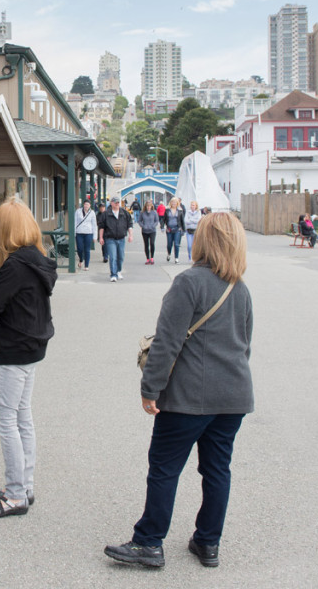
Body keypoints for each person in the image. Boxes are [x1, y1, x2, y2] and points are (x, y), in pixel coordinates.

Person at [105, 212, 254, 569]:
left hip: (189, 397)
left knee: (164, 467)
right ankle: (208, 542)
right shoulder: (241, 288)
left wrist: (149, 389)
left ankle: (149, 542)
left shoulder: (189, 283)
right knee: (217, 470)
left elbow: (167, 344)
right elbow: (245, 344)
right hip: (233, 395)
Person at [0, 198, 57, 518]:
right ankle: (26, 484)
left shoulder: (13, 265)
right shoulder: (38, 258)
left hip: (15, 347)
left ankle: (14, 495)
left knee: (6, 418)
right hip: (34, 345)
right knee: (22, 415)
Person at [98, 195, 134, 282]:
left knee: (121, 256)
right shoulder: (106, 214)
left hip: (121, 238)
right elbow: (101, 226)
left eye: (118, 202)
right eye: (116, 202)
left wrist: (130, 235)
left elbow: (130, 225)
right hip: (110, 238)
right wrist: (101, 237)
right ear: (111, 203)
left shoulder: (124, 213)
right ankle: (113, 274)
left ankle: (118, 271)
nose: (117, 204)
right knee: (113, 256)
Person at [74, 199, 97, 272]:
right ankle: (81, 259)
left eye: (87, 204)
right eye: (85, 204)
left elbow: (94, 225)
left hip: (88, 233)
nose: (86, 206)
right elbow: (75, 221)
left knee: (87, 250)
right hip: (79, 232)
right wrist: (74, 232)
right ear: (83, 205)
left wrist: (95, 236)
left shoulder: (92, 213)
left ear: (90, 205)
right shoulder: (78, 211)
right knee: (79, 249)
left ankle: (86, 265)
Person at [163, 198, 185, 263]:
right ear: (170, 203)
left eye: (175, 202)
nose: (174, 204)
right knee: (169, 244)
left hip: (177, 229)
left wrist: (183, 229)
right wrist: (163, 226)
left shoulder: (180, 211)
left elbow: (182, 221)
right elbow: (163, 219)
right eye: (172, 202)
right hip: (169, 229)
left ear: (177, 203)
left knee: (176, 244)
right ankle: (169, 254)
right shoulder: (167, 210)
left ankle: (176, 258)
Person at [138, 200, 159, 264]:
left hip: (152, 230)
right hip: (145, 231)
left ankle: (152, 258)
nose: (148, 207)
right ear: (145, 206)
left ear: (151, 206)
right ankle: (147, 258)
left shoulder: (154, 212)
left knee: (152, 243)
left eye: (149, 206)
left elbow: (156, 221)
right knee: (146, 244)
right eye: (147, 206)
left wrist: (153, 226)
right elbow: (139, 221)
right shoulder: (142, 212)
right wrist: (143, 226)